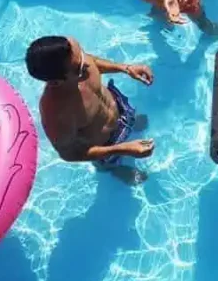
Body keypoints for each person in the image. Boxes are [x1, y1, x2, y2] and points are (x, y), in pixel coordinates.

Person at [25, 36, 155, 181]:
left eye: (81, 54)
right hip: (107, 144)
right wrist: (123, 149)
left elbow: (93, 61)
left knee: (140, 123)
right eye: (79, 69)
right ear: (56, 82)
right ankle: (114, 170)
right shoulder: (57, 114)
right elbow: (69, 154)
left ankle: (130, 127)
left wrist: (125, 68)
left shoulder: (72, 55)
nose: (87, 65)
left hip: (120, 109)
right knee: (109, 165)